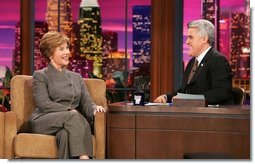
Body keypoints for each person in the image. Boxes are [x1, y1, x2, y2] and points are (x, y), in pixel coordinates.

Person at [28, 31, 105, 159]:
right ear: (50, 54)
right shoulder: (41, 75)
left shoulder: (76, 77)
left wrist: (94, 108)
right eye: (61, 49)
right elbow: (43, 104)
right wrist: (69, 111)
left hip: (69, 123)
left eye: (67, 48)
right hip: (43, 120)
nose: (67, 52)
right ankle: (85, 158)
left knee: (65, 135)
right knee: (74, 117)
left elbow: (86, 103)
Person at [154, 19, 234, 105]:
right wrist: (166, 97)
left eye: (190, 37)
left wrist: (191, 100)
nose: (187, 42)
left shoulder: (218, 60)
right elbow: (185, 92)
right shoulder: (193, 62)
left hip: (212, 116)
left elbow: (221, 92)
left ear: (204, 39)